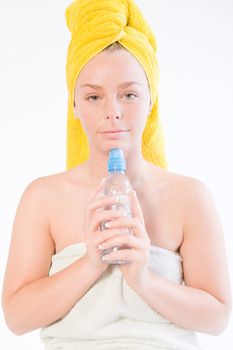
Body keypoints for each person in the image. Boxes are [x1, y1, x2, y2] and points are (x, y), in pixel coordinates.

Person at [1, 0, 232, 349]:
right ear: (74, 105)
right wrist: (91, 263)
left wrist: (143, 278)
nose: (113, 112)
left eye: (129, 94)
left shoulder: (190, 197)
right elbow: (17, 319)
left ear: (151, 99)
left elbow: (216, 318)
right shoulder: (43, 198)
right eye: (93, 97)